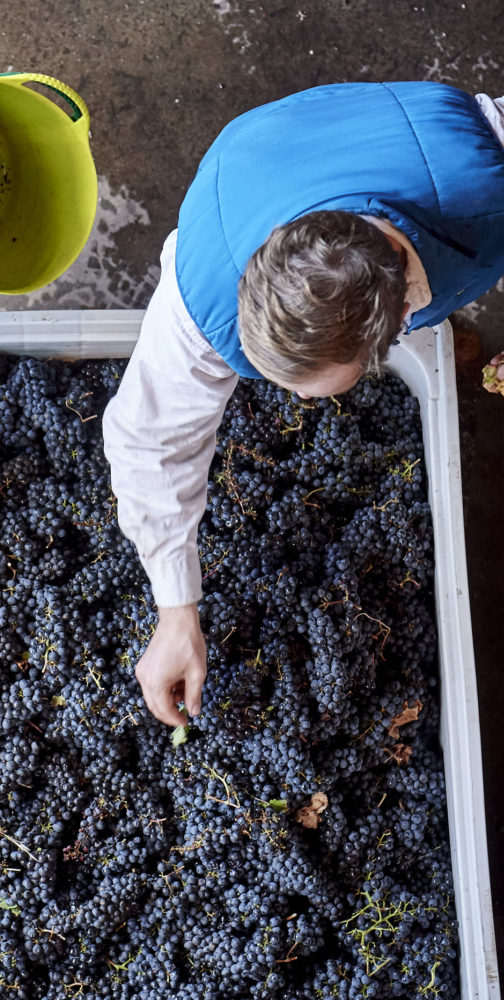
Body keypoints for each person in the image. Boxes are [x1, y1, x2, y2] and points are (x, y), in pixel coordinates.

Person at [103, 81, 504, 729]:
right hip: (265, 160)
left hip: (434, 171)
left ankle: (450, 331)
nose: (291, 401)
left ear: (400, 318)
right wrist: (176, 607)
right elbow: (150, 438)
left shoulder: (485, 176)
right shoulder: (210, 273)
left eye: (308, 387)